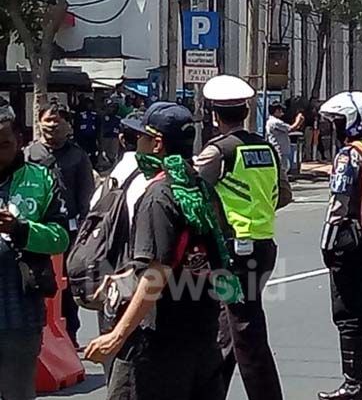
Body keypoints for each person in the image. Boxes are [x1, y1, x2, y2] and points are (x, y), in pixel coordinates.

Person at [84, 102, 237, 400]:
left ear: (156, 144)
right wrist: (125, 277)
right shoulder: (199, 188)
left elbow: (158, 272)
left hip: (158, 343)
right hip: (202, 334)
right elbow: (197, 254)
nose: (135, 144)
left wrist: (117, 336)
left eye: (141, 137)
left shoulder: (159, 196)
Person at [194, 76, 292, 400]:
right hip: (264, 247)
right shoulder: (266, 149)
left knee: (245, 328)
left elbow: (192, 195)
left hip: (234, 253)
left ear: (213, 114)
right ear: (247, 110)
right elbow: (284, 195)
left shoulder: (217, 152)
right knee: (229, 326)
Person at [318, 92, 362, 400]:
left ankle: (352, 384)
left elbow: (339, 199)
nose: (332, 127)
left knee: (346, 312)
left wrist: (328, 239)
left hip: (348, 237)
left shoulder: (349, 155)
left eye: (336, 121)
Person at [0, 105, 69, 400]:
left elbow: (61, 238)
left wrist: (21, 230)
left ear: (19, 139)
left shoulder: (42, 179)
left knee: (17, 392)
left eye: (3, 144)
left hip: (19, 312)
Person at [26, 103, 95, 349]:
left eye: (58, 121)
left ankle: (71, 334)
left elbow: (86, 196)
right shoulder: (29, 154)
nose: (53, 125)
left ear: (68, 126)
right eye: (48, 121)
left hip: (70, 231)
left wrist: (86, 230)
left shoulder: (78, 156)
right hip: (35, 230)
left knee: (68, 285)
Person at [266, 102, 293, 175]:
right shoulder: (275, 122)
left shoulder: (274, 121)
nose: (282, 112)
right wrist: (299, 120)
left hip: (282, 150)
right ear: (276, 111)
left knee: (284, 169)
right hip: (279, 150)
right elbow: (291, 128)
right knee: (282, 171)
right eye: (280, 110)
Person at [75, 97, 99, 167]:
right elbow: (76, 126)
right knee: (83, 152)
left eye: (90, 103)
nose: (89, 105)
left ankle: (93, 165)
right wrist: (77, 138)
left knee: (93, 152)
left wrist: (98, 137)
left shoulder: (95, 115)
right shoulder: (80, 115)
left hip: (92, 136)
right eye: (88, 103)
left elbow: (98, 126)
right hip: (82, 137)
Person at [100, 99, 121, 168]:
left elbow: (120, 128)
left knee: (113, 153)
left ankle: (112, 165)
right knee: (103, 153)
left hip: (114, 137)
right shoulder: (103, 116)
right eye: (111, 107)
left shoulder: (118, 118)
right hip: (105, 137)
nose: (113, 109)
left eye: (114, 107)